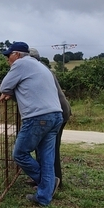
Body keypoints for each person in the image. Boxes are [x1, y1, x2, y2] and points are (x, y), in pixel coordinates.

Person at [0, 41, 63, 207]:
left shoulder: (21, 63)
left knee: (19, 154)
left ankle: (46, 185)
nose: (8, 59)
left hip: (38, 117)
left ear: (17, 54)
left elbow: (4, 86)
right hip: (55, 114)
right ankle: (43, 197)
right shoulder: (39, 65)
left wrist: (9, 92)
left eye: (9, 55)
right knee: (47, 158)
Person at [28, 48, 71, 187]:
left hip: (56, 112)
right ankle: (43, 179)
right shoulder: (42, 69)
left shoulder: (37, 71)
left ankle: (55, 181)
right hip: (57, 110)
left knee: (50, 149)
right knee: (42, 147)